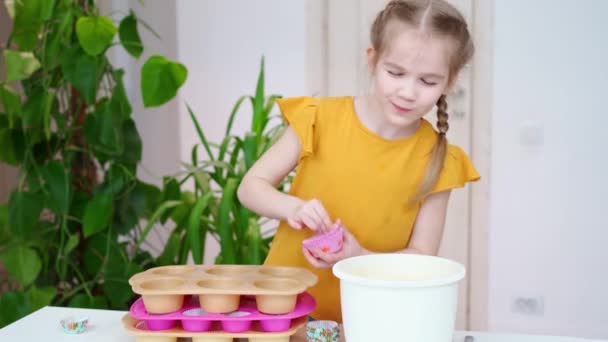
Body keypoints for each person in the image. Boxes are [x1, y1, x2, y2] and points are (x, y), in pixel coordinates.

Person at [237, 0, 479, 322]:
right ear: (373, 60)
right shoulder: (318, 119)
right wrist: (292, 207)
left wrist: (359, 257)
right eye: (396, 73)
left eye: (428, 81)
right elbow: (251, 188)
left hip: (366, 319)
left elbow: (421, 258)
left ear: (449, 82)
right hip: (283, 312)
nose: (408, 92)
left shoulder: (442, 161)